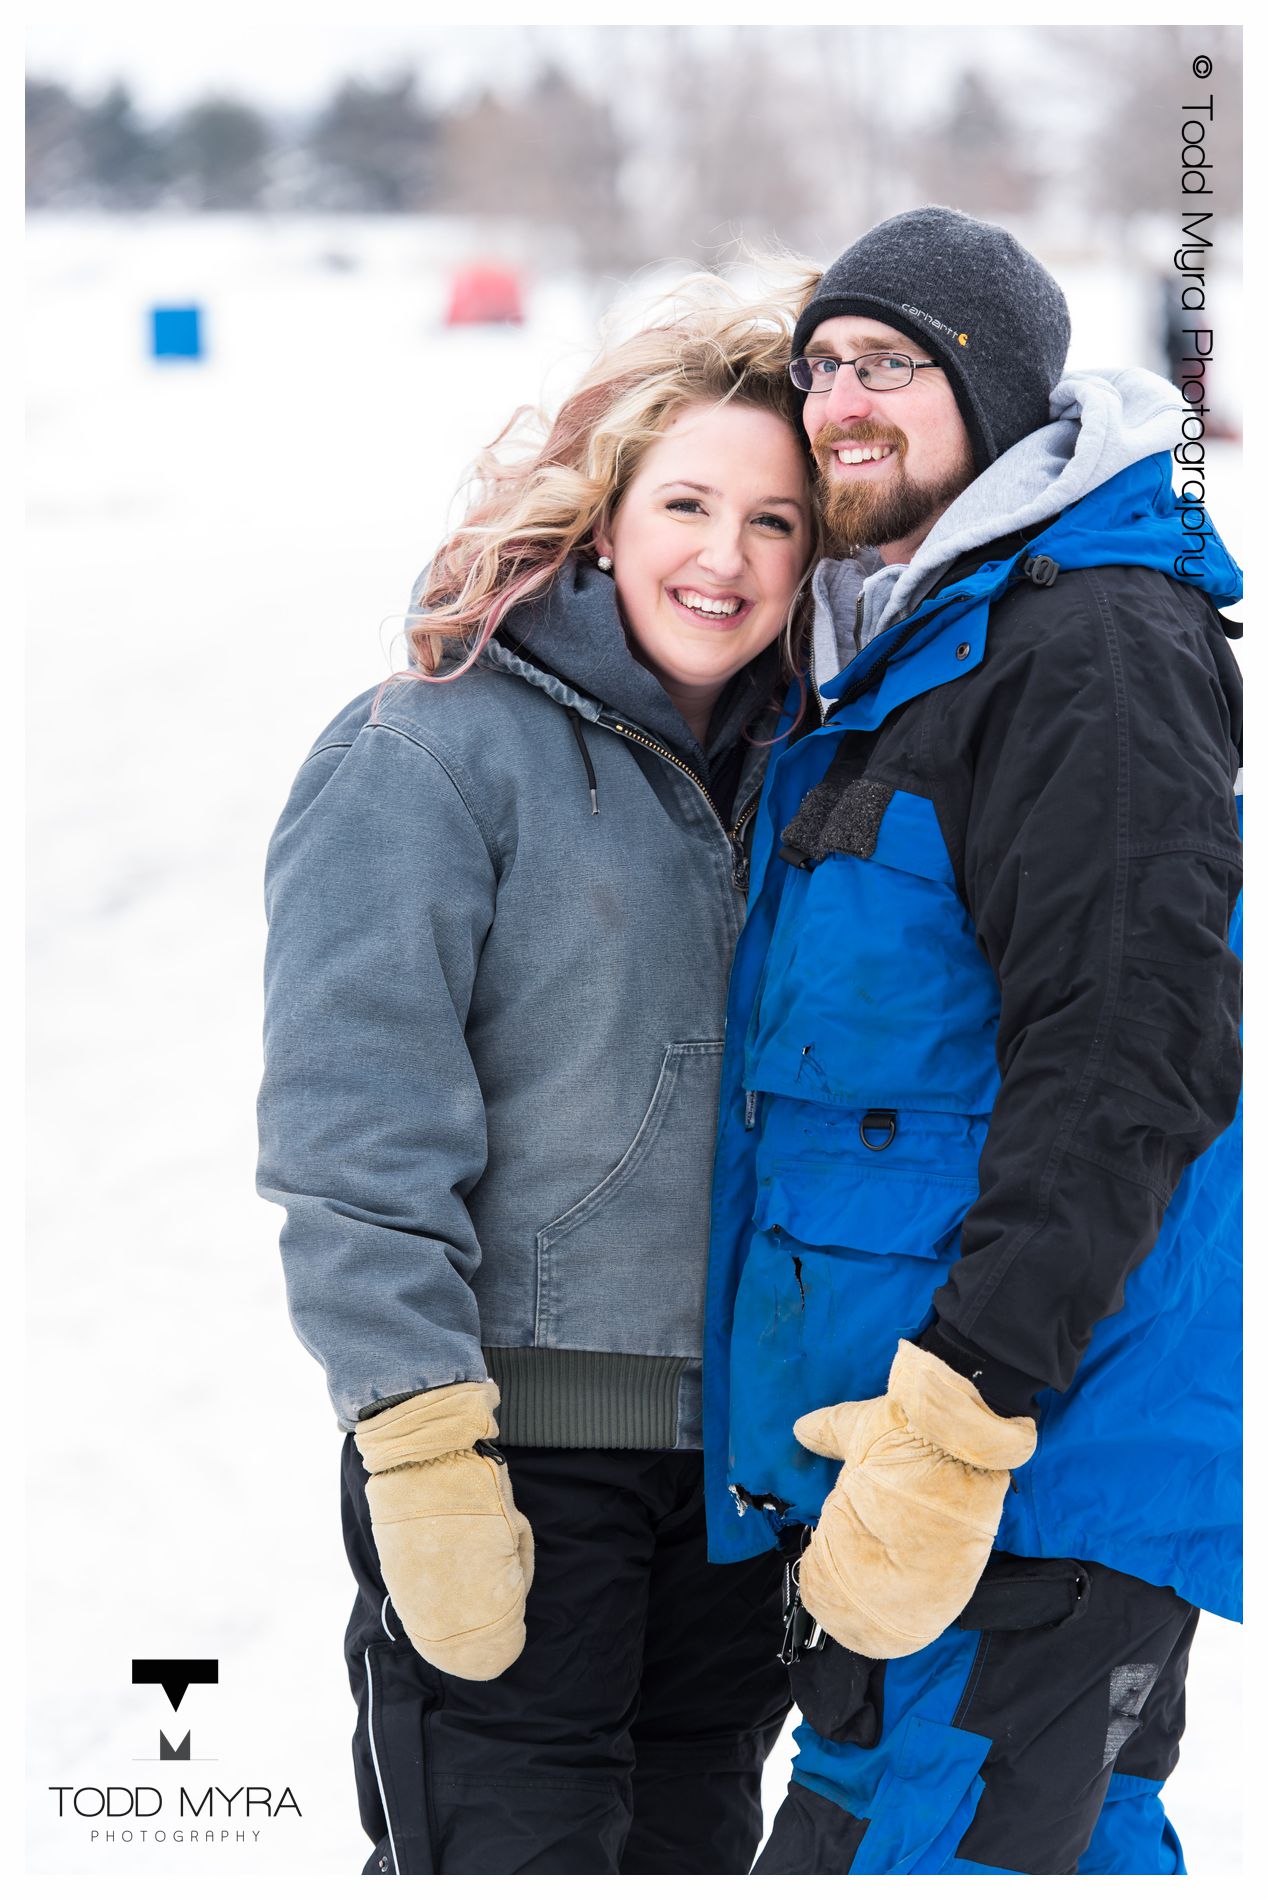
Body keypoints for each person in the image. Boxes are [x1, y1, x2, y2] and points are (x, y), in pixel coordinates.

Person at [700, 206, 1242, 1876]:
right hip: (892, 1494)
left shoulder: (1087, 645)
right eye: (828, 368)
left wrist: (957, 1427)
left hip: (1023, 1478)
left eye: (898, 367)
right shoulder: (906, 647)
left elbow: (1123, 1066)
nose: (849, 401)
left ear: (997, 394)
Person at [256, 277, 823, 1875]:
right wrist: (422, 1451)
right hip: (511, 1467)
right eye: (689, 502)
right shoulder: (427, 753)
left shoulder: (813, 770)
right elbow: (351, 1140)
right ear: (602, 513)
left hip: (733, 1484)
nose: (725, 557)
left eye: (775, 523)